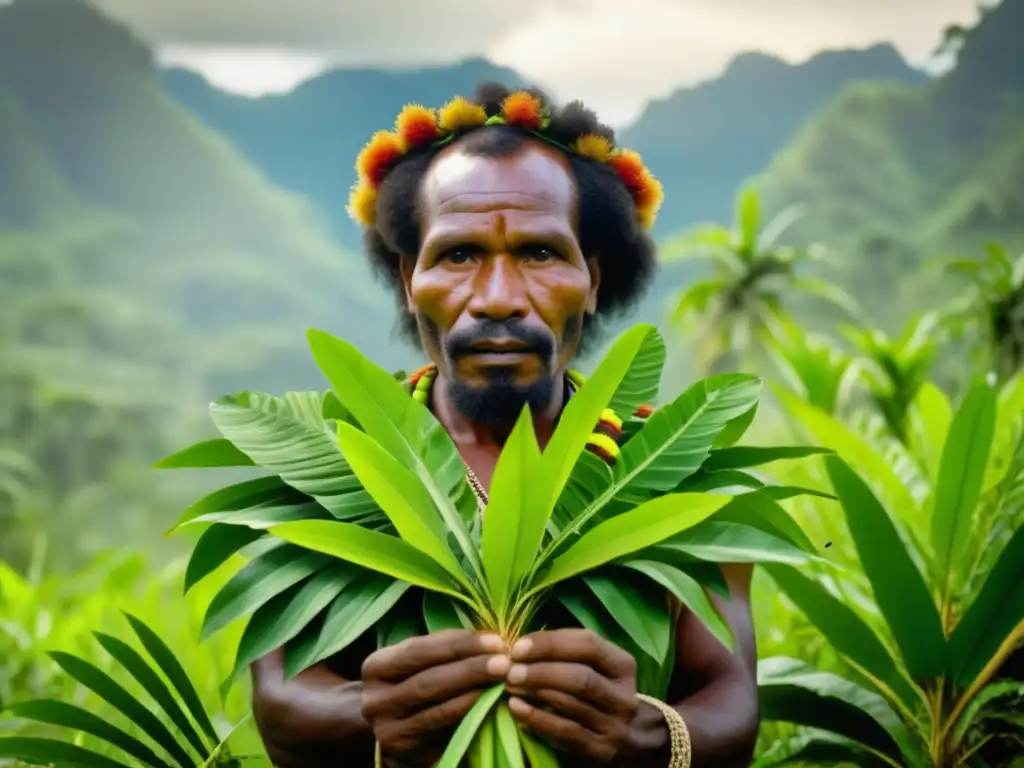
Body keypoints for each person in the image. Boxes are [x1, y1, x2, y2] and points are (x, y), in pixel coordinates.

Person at [250, 82, 760, 767]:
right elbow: (280, 699)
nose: (496, 299)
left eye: (538, 254)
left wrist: (639, 733)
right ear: (409, 278)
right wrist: (374, 718)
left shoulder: (671, 471)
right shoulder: (338, 459)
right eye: (459, 255)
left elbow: (730, 700)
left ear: (594, 276)